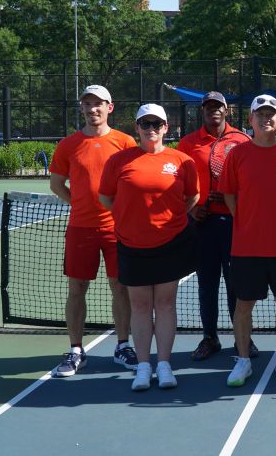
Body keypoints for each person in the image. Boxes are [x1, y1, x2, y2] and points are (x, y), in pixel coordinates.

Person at [99, 104, 199, 391]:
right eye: (146, 123)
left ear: (166, 127)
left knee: (165, 304)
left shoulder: (182, 161)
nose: (151, 128)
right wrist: (129, 218)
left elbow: (192, 197)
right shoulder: (119, 161)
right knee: (140, 306)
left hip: (171, 243)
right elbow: (107, 198)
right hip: (131, 244)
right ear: (137, 128)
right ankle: (143, 366)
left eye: (157, 123)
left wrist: (170, 219)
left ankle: (165, 365)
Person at [49, 85, 138, 377]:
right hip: (80, 228)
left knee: (120, 288)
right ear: (82, 108)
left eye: (98, 104)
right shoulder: (68, 145)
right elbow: (57, 184)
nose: (92, 109)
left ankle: (123, 346)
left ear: (110, 107)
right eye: (87, 104)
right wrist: (79, 203)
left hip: (117, 229)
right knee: (76, 289)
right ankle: (76, 350)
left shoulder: (125, 143)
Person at [219, 94, 276, 387]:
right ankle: (243, 360)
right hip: (246, 246)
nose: (266, 118)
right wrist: (247, 219)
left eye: (272, 114)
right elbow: (229, 194)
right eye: (260, 114)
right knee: (243, 304)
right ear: (251, 120)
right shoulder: (237, 154)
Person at [177, 91, 258, 361]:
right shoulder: (188, 144)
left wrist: (232, 197)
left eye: (218, 107)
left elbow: (253, 182)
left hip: (235, 223)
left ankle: (241, 337)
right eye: (208, 107)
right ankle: (209, 338)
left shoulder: (243, 140)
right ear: (202, 111)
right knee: (207, 285)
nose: (213, 111)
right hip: (203, 226)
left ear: (227, 111)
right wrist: (193, 209)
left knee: (237, 284)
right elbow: (178, 185)